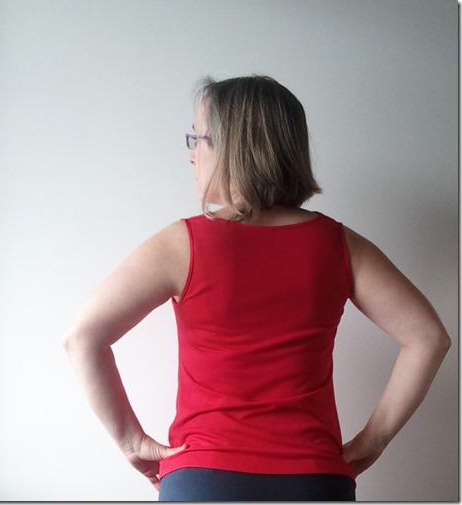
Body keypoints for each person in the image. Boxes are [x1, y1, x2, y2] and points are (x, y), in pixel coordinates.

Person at [63, 75, 451, 501]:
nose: (191, 156)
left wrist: (132, 442)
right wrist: (373, 440)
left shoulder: (182, 244)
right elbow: (428, 337)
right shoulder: (341, 246)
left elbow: (82, 336)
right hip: (313, 479)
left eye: (199, 139)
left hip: (203, 480)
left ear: (235, 147)